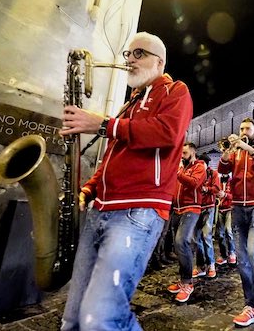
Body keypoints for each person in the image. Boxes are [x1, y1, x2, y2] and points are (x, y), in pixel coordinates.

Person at [60, 31, 193, 330]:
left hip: (137, 212)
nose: (129, 60)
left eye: (138, 54)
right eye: (127, 54)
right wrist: (89, 187)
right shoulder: (128, 105)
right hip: (100, 211)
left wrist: (104, 124)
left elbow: (166, 133)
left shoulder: (176, 92)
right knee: (72, 318)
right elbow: (111, 158)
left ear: (159, 62)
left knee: (101, 317)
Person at [217, 117, 254, 331]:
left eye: (247, 129)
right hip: (238, 207)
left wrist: (248, 149)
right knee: (242, 259)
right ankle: (250, 306)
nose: (243, 131)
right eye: (241, 128)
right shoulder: (235, 152)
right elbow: (222, 171)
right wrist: (227, 151)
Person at [167, 142, 206, 303]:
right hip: (177, 208)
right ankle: (183, 278)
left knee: (181, 241)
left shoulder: (200, 166)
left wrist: (177, 172)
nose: (181, 156)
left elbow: (195, 183)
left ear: (193, 152)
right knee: (178, 245)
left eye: (184, 153)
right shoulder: (181, 168)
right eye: (180, 153)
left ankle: (187, 283)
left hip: (192, 208)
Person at [193, 154, 220, 278]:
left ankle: (211, 265)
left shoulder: (213, 174)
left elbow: (217, 189)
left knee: (206, 236)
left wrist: (206, 189)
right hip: (196, 208)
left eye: (202, 163)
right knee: (196, 238)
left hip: (209, 208)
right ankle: (200, 267)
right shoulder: (195, 173)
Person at [215, 173, 237, 266]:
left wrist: (225, 195)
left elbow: (235, 196)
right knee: (220, 233)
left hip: (229, 209)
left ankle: (232, 252)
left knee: (229, 231)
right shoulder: (217, 181)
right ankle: (223, 254)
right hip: (219, 209)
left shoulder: (233, 181)